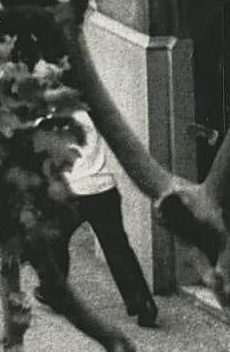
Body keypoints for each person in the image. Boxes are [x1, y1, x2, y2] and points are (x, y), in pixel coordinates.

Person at [41, 109, 158, 327]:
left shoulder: (50, 115)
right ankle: (143, 304)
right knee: (117, 248)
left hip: (71, 191)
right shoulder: (92, 111)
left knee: (53, 239)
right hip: (104, 188)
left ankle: (54, 292)